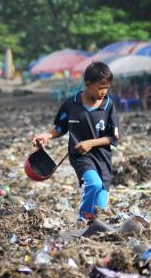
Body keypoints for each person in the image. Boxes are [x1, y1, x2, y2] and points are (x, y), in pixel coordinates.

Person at [31, 61, 121, 222]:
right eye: (101, 87)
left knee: (101, 212)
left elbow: (112, 137)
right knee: (93, 184)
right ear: (88, 84)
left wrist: (91, 143)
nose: (104, 91)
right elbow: (60, 127)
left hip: (103, 158)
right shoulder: (71, 104)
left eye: (107, 87)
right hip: (80, 156)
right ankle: (81, 218)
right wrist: (46, 135)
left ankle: (91, 232)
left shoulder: (108, 105)